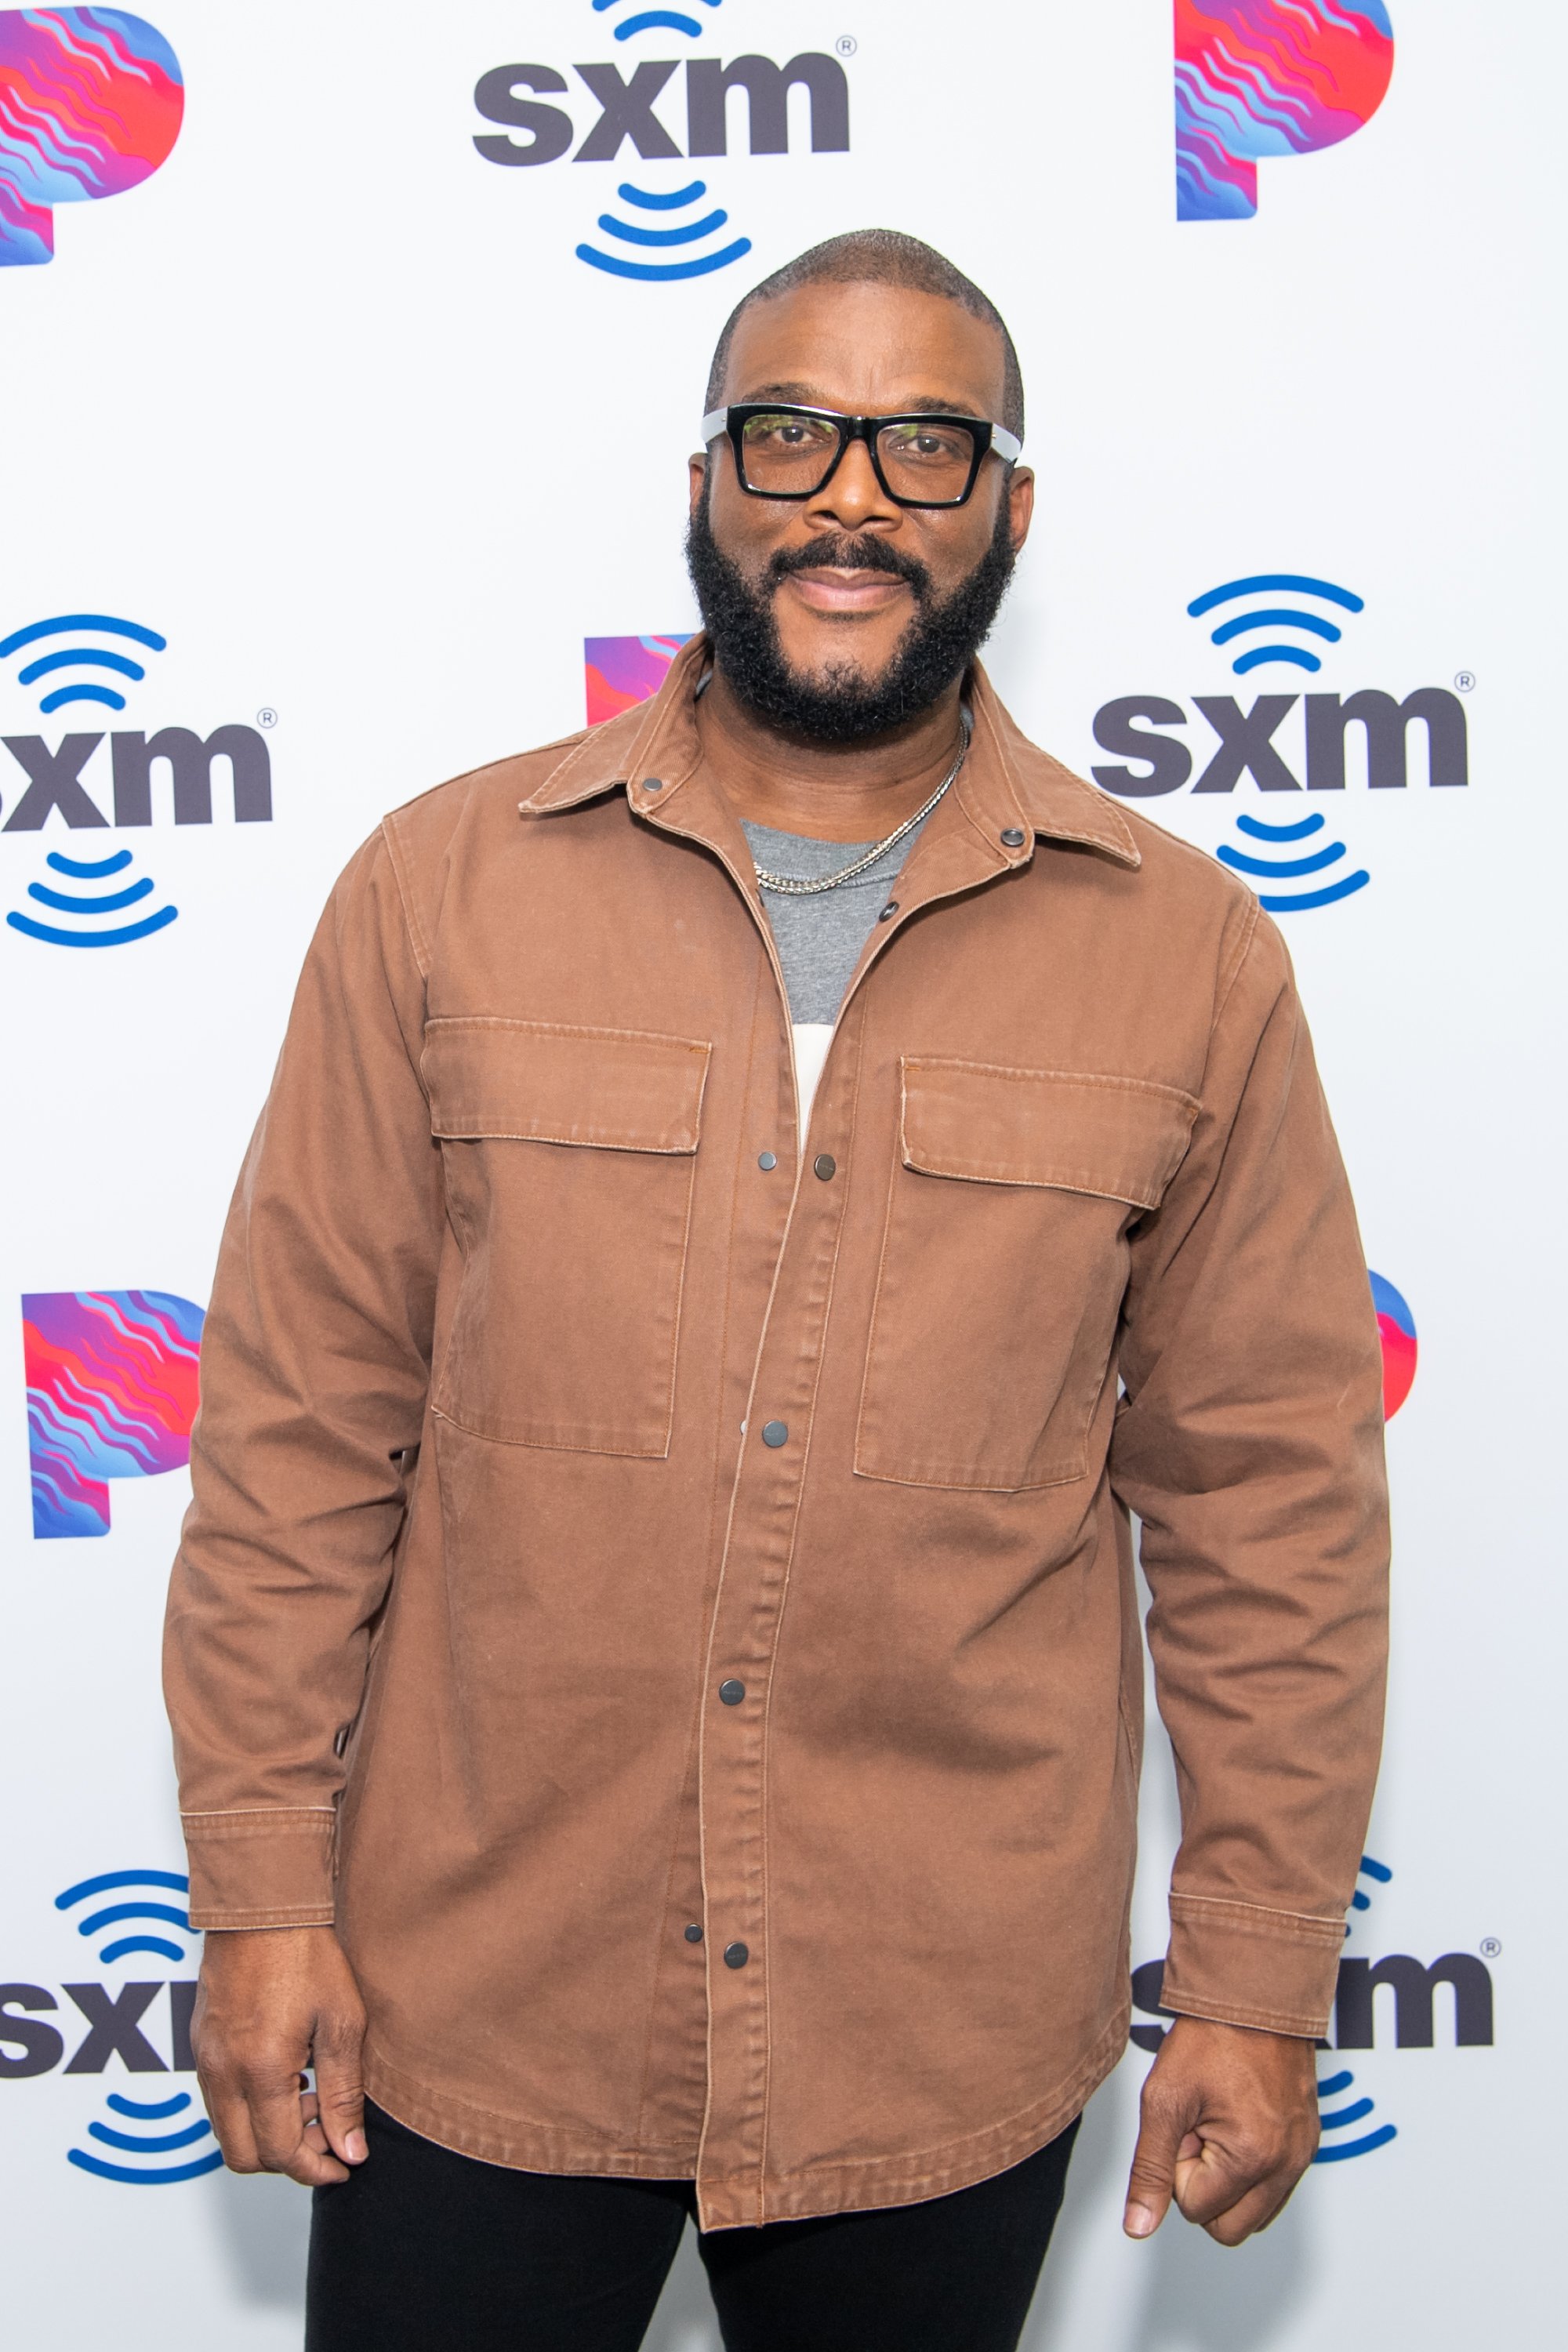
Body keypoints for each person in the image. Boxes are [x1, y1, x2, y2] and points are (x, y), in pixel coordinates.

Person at [164, 230, 1389, 2352]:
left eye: (926, 446)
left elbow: (1272, 1511)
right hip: (481, 2005)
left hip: (937, 2035)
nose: (850, 501)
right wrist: (265, 1897)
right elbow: (294, 1444)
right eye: (791, 434)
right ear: (708, 485)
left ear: (1012, 507)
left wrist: (1260, 1985)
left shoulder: (1185, 956)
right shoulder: (439, 892)